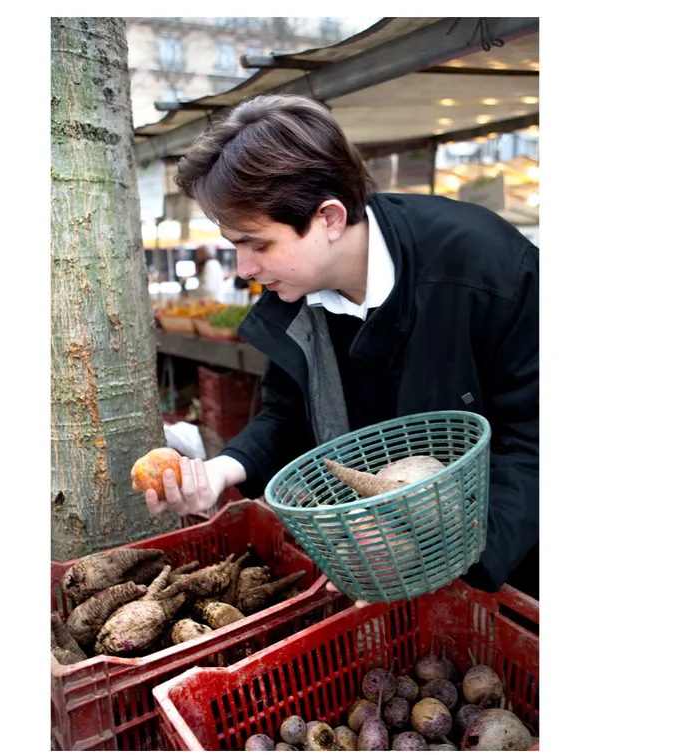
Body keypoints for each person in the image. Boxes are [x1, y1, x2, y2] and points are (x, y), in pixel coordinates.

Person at [143, 94, 539, 600]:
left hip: (506, 569)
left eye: (257, 244)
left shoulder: (488, 269)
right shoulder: (297, 297)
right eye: (234, 245)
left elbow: (536, 439)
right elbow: (288, 415)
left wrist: (461, 556)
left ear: (329, 218)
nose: (244, 268)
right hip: (381, 562)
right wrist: (218, 472)